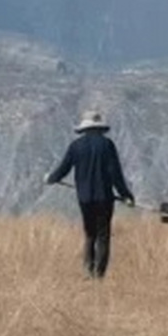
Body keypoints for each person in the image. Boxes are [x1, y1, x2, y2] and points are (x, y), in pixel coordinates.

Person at [46, 110, 137, 278]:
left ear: (84, 128)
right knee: (103, 235)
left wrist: (51, 178)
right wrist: (126, 195)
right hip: (105, 198)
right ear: (100, 128)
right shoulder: (107, 145)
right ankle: (99, 275)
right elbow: (115, 174)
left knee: (89, 234)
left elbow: (63, 169)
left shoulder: (76, 146)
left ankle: (88, 271)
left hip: (85, 198)